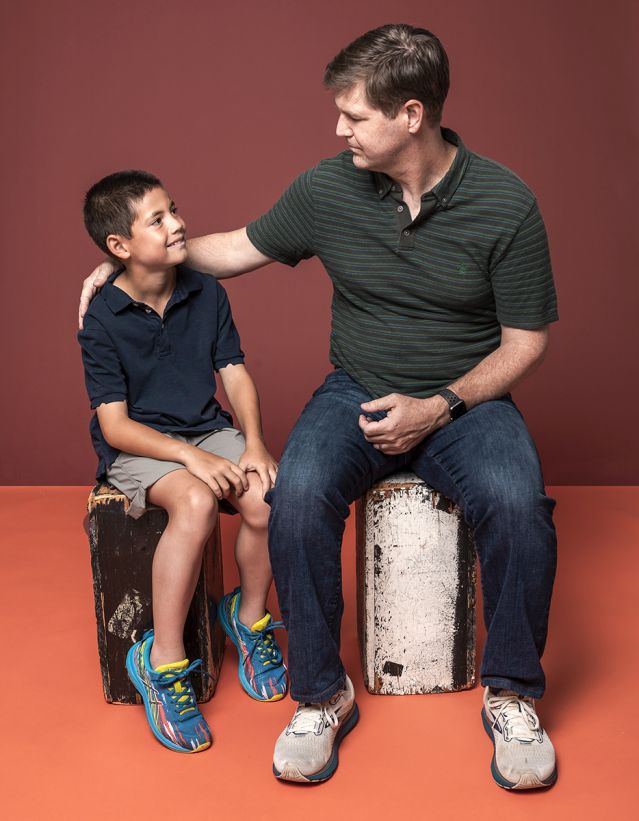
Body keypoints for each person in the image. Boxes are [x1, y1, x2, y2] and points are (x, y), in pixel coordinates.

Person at [80, 25, 559, 788]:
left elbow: (525, 342)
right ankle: (320, 695)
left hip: (464, 398)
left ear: (410, 115)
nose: (338, 129)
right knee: (294, 495)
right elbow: (235, 247)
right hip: (356, 387)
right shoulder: (327, 188)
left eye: (354, 115)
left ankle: (511, 693)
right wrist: (136, 265)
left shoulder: (505, 202)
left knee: (518, 504)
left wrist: (439, 405)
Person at [78, 170, 287, 754]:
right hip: (140, 445)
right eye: (158, 219)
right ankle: (163, 663)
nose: (178, 224)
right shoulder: (102, 319)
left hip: (206, 429)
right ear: (119, 245)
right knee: (195, 502)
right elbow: (116, 426)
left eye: (173, 209)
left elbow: (234, 373)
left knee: (266, 495)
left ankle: (247, 619)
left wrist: (253, 442)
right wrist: (189, 458)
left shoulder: (206, 292)